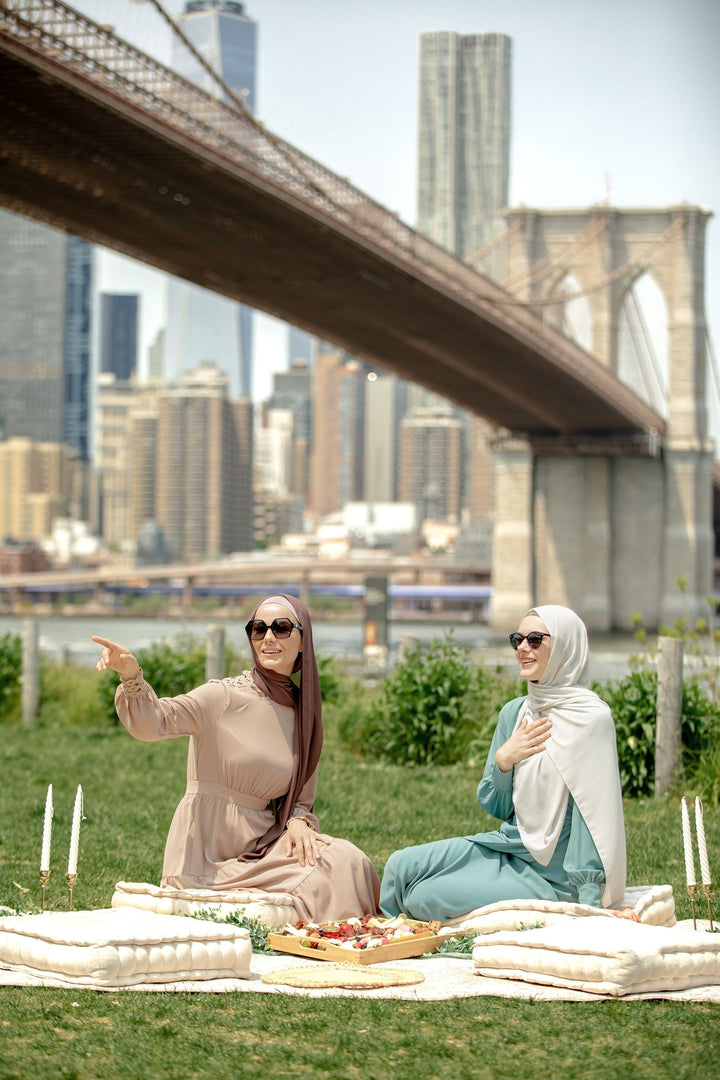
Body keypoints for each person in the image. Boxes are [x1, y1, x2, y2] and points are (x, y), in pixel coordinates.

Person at [92, 593, 380, 923]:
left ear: (303, 641)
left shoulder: (304, 713)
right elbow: (152, 722)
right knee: (330, 872)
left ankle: (355, 941)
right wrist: (131, 675)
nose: (269, 637)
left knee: (348, 860)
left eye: (282, 628)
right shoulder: (224, 695)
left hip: (262, 845)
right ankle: (337, 940)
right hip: (206, 854)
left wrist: (299, 820)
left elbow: (302, 797)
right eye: (258, 629)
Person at [379, 604, 632, 923]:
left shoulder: (590, 720)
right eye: (518, 639)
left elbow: (593, 818)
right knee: (400, 865)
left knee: (421, 898)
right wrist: (503, 762)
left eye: (536, 639)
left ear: (566, 647)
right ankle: (382, 933)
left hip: (553, 877)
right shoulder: (515, 713)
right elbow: (496, 806)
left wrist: (589, 902)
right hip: (510, 846)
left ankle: (394, 937)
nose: (523, 648)